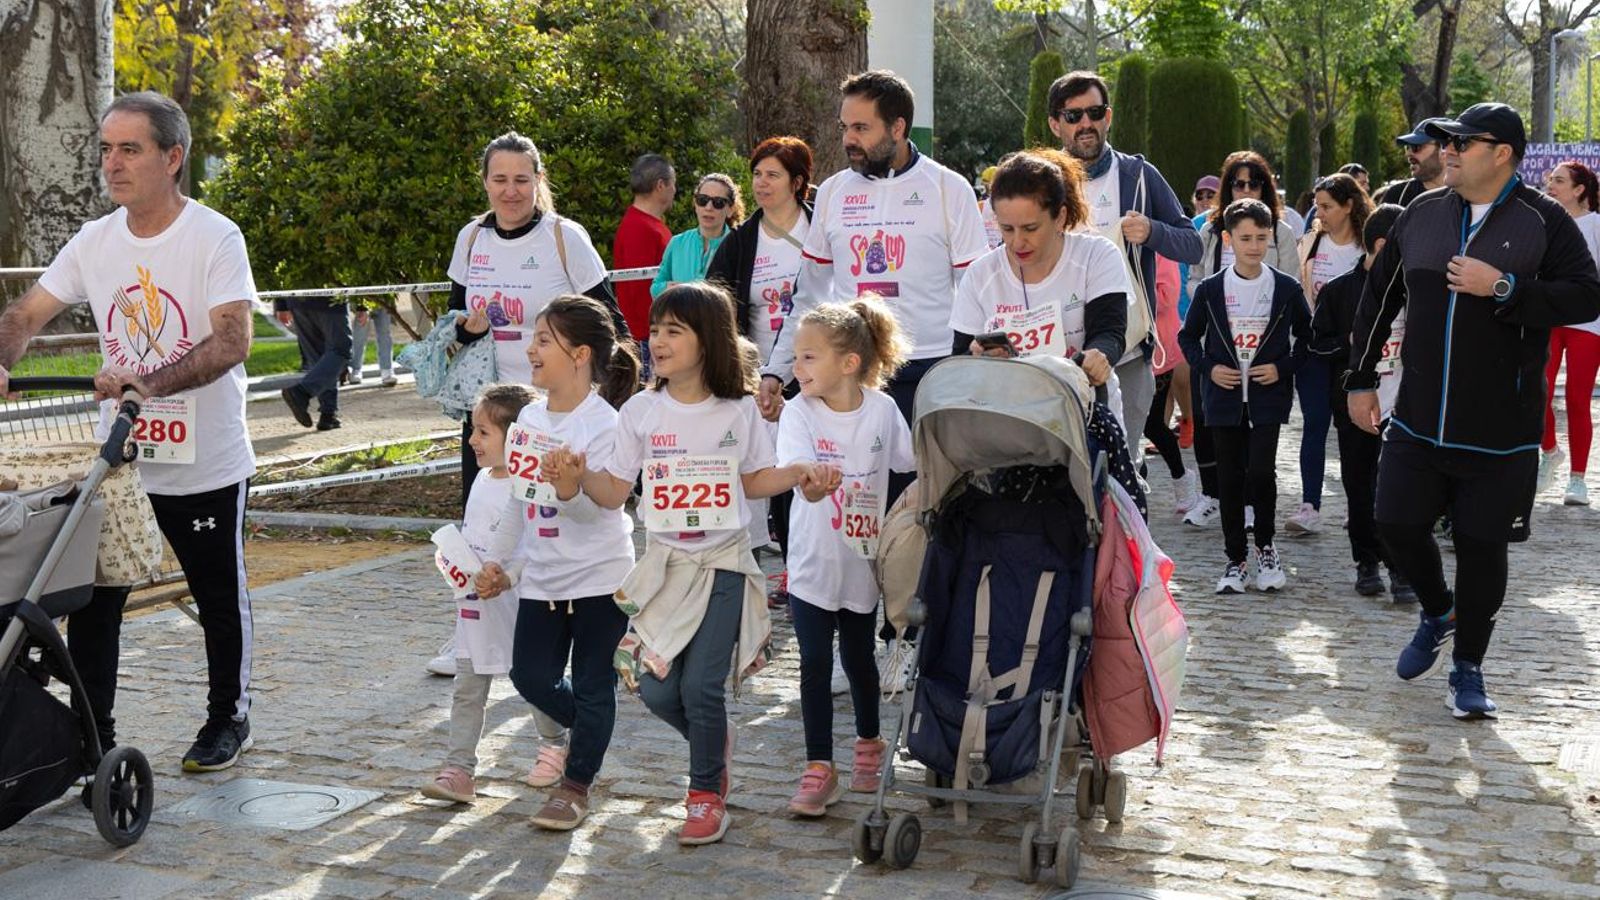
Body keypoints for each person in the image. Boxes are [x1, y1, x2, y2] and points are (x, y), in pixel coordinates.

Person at [0, 91, 258, 772]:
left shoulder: (214, 236)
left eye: (129, 149)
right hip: (117, 462)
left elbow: (232, 341)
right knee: (96, 605)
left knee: (217, 597)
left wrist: (153, 384)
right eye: (106, 149)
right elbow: (25, 315)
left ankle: (227, 717)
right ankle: (95, 739)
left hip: (204, 461)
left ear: (173, 158)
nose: (111, 164)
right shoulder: (95, 240)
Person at [545, 282, 829, 845]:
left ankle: (704, 795)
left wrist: (801, 475)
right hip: (666, 570)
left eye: (675, 330)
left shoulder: (740, 409)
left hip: (724, 563)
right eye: (656, 330)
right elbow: (613, 491)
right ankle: (712, 743)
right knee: (655, 691)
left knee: (702, 686)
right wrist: (575, 484)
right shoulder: (642, 413)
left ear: (710, 340)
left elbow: (753, 480)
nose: (660, 340)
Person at [1346, 103, 1600, 719]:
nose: (1449, 150)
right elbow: (1380, 300)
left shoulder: (1545, 221)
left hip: (1503, 430)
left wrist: (1505, 287)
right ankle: (1440, 610)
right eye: (1448, 141)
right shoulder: (1422, 215)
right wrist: (1359, 380)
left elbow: (1587, 294)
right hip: (1419, 416)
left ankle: (1468, 669)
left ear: (1503, 153)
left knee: (1483, 547)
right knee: (1395, 522)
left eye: (1463, 141)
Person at [473, 296, 641, 830]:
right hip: (541, 582)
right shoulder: (527, 416)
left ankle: (574, 788)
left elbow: (596, 512)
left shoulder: (607, 425)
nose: (531, 348)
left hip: (600, 580)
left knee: (594, 685)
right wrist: (498, 563)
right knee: (531, 677)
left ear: (580, 354)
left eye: (544, 340)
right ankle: (595, 729)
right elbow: (520, 504)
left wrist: (569, 488)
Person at [758, 69, 988, 444]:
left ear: (897, 128)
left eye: (861, 128)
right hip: (853, 369)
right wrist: (775, 372)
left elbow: (977, 289)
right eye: (845, 127)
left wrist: (972, 366)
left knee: (924, 494)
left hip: (931, 369)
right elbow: (809, 297)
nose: (849, 139)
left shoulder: (949, 188)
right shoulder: (833, 191)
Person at [776, 297, 913, 816]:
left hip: (862, 560)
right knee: (813, 662)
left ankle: (869, 744)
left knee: (858, 659)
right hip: (812, 561)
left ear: (849, 363)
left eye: (809, 357)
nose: (797, 367)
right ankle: (818, 767)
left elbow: (909, 460)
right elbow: (796, 472)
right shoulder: (797, 412)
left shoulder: (882, 409)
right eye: (796, 356)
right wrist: (811, 484)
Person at [444, 132, 624, 508]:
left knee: (548, 520)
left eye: (521, 180)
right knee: (485, 519)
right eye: (500, 180)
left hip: (552, 412)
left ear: (538, 181)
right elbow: (453, 320)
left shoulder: (564, 236)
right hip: (489, 414)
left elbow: (610, 326)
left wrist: (607, 398)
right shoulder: (471, 237)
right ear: (485, 183)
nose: (511, 191)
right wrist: (464, 328)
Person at [1047, 70, 1203, 470]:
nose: (1085, 123)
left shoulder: (1138, 176)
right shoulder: (1042, 180)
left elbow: (1192, 244)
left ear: (1108, 116)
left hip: (1129, 352)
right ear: (1054, 123)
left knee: (1124, 472)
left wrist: (1152, 231)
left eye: (1094, 112)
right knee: (1062, 471)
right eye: (1073, 115)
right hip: (1055, 354)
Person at [1179, 199, 1312, 594]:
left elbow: (1308, 338)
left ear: (1270, 237)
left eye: (1260, 237)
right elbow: (1187, 337)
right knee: (1230, 478)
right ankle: (1235, 559)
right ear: (1227, 239)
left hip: (1268, 397)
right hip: (1222, 398)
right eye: (1244, 238)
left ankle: (1266, 547)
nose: (1253, 245)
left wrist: (1282, 367)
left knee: (1261, 472)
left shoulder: (1286, 288)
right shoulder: (1210, 288)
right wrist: (1208, 368)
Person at [706, 136, 816, 608]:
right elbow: (716, 302)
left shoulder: (820, 230)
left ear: (797, 182)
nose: (762, 183)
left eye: (773, 174)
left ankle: (814, 568)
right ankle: (787, 568)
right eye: (757, 174)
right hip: (760, 379)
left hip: (815, 371)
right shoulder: (741, 241)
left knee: (808, 467)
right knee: (773, 475)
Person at [420, 384, 534, 805]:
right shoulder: (484, 479)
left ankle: (556, 751)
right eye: (473, 430)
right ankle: (459, 769)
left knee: (533, 683)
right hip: (475, 609)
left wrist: (508, 577)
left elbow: (531, 548)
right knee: (468, 689)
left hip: (519, 608)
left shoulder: (526, 487)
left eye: (483, 432)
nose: (472, 440)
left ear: (516, 437)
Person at [1183, 151, 1301, 529]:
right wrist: (1213, 299)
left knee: (1260, 455)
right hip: (1220, 339)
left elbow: (1292, 291)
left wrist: (1282, 359)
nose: (1246, 188)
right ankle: (1212, 496)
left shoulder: (1279, 232)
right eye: (1238, 182)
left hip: (1264, 344)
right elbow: (1196, 275)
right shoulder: (1210, 228)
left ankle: (1256, 516)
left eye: (1254, 182)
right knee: (1208, 424)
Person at [1310, 203, 1415, 601]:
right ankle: (1366, 560)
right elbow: (1316, 344)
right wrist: (1348, 345)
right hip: (1353, 407)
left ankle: (1401, 567)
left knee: (1399, 491)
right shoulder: (1340, 292)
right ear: (1384, 245)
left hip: (1404, 407)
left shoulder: (1417, 292)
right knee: (1359, 486)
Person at [1286, 173, 1372, 536]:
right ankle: (1310, 505)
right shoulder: (1310, 243)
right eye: (1316, 206)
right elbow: (1298, 290)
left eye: (1326, 207)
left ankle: (1361, 507)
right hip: (1314, 348)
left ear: (1349, 206)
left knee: (1355, 431)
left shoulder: (1367, 248)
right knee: (1315, 423)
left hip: (1357, 354)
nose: (1318, 213)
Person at [1538, 160, 1600, 506]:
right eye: (1550, 180)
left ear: (1579, 190)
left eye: (1559, 181)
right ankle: (1550, 452)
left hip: (1587, 323)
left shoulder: (1594, 225)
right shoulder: (1545, 223)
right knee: (1537, 392)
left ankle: (1578, 480)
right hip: (1548, 319)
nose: (1551, 185)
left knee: (1577, 400)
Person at [614, 153, 676, 355]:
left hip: (651, 336)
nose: (674, 190)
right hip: (646, 340)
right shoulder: (640, 229)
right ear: (660, 185)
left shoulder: (644, 225)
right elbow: (639, 291)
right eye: (672, 184)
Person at [652, 173, 744, 298]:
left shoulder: (740, 246)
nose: (708, 207)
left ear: (730, 210)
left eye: (718, 202)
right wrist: (670, 290)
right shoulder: (677, 242)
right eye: (703, 200)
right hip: (681, 316)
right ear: (695, 204)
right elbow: (655, 287)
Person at [278, 292, 351, 431]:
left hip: (297, 299)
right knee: (341, 349)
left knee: (319, 357)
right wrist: (362, 306)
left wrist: (281, 304)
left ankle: (328, 414)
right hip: (330, 298)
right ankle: (302, 392)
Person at [1375, 119, 1445, 207]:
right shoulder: (1396, 196)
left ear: (1444, 149)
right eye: (1407, 147)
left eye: (1416, 147)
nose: (1408, 153)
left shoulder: (1464, 196)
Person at [350, 302, 397, 386]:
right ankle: (355, 369)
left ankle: (387, 369)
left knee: (384, 332)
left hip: (383, 298)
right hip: (361, 297)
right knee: (359, 335)